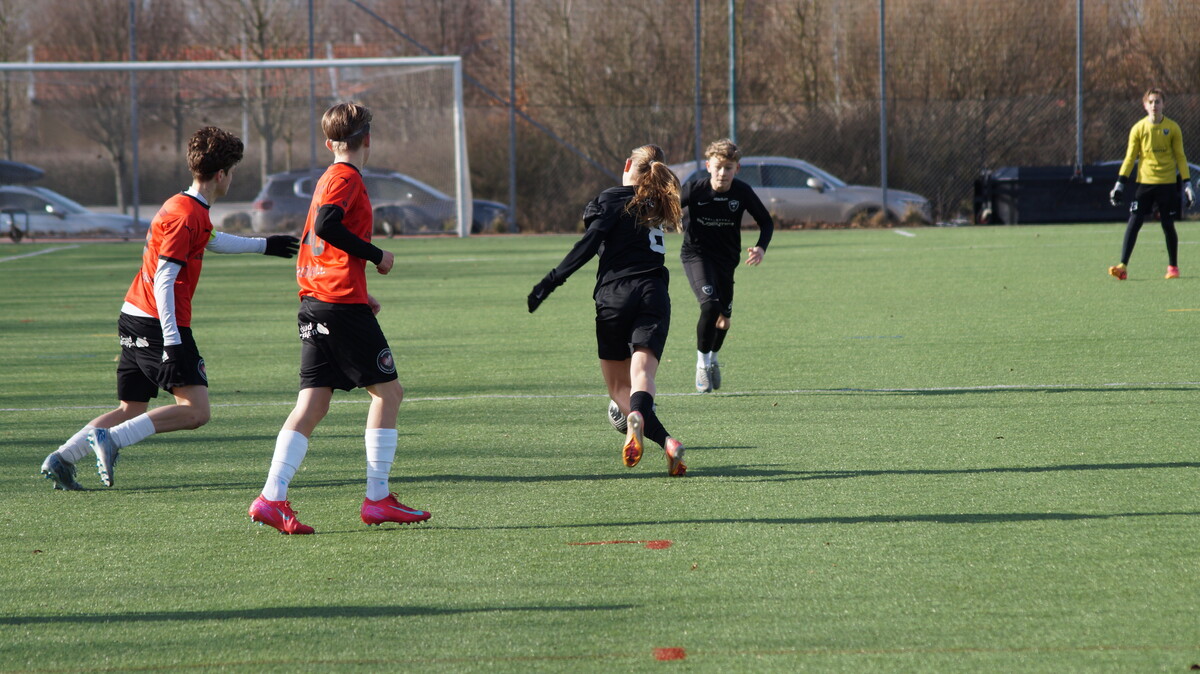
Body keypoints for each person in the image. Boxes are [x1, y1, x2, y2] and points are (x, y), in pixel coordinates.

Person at [38, 126, 300, 490]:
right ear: (221, 174)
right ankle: (111, 440)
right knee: (196, 411)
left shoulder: (185, 206)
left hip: (134, 315)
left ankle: (62, 459)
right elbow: (165, 278)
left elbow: (211, 239)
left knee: (131, 408)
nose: (232, 178)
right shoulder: (186, 215)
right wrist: (173, 343)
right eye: (232, 171)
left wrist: (264, 246)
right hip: (158, 323)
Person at [248, 102, 430, 535]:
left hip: (320, 301)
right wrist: (377, 255)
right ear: (367, 140)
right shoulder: (346, 177)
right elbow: (327, 226)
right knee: (388, 393)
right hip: (337, 306)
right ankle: (377, 498)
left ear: (329, 143)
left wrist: (360, 293)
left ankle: (271, 498)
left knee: (313, 404)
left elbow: (323, 245)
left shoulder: (329, 177)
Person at [528, 144, 687, 477]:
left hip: (614, 296)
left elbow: (589, 243)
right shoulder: (658, 203)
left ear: (628, 164)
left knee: (618, 389)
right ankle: (656, 432)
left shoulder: (612, 198)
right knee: (642, 376)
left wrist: (551, 281)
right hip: (653, 292)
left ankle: (656, 434)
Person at [678, 139, 773, 392]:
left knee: (723, 321)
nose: (722, 173)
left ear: (736, 169)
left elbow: (766, 222)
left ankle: (713, 359)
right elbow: (667, 208)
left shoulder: (742, 192)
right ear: (708, 166)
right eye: (718, 167)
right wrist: (669, 218)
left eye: (728, 168)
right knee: (710, 305)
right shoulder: (694, 190)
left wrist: (761, 247)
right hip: (696, 255)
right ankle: (701, 365)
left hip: (726, 260)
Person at [1108, 88, 1195, 280]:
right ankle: (1123, 266)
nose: (1154, 105)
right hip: (1145, 184)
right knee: (1134, 221)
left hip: (1167, 184)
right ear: (1145, 105)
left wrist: (1187, 184)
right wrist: (1119, 184)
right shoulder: (1138, 128)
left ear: (1163, 104)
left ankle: (1173, 267)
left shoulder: (1173, 128)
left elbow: (1181, 157)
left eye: (1158, 101)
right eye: (1151, 102)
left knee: (1167, 224)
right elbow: (1130, 158)